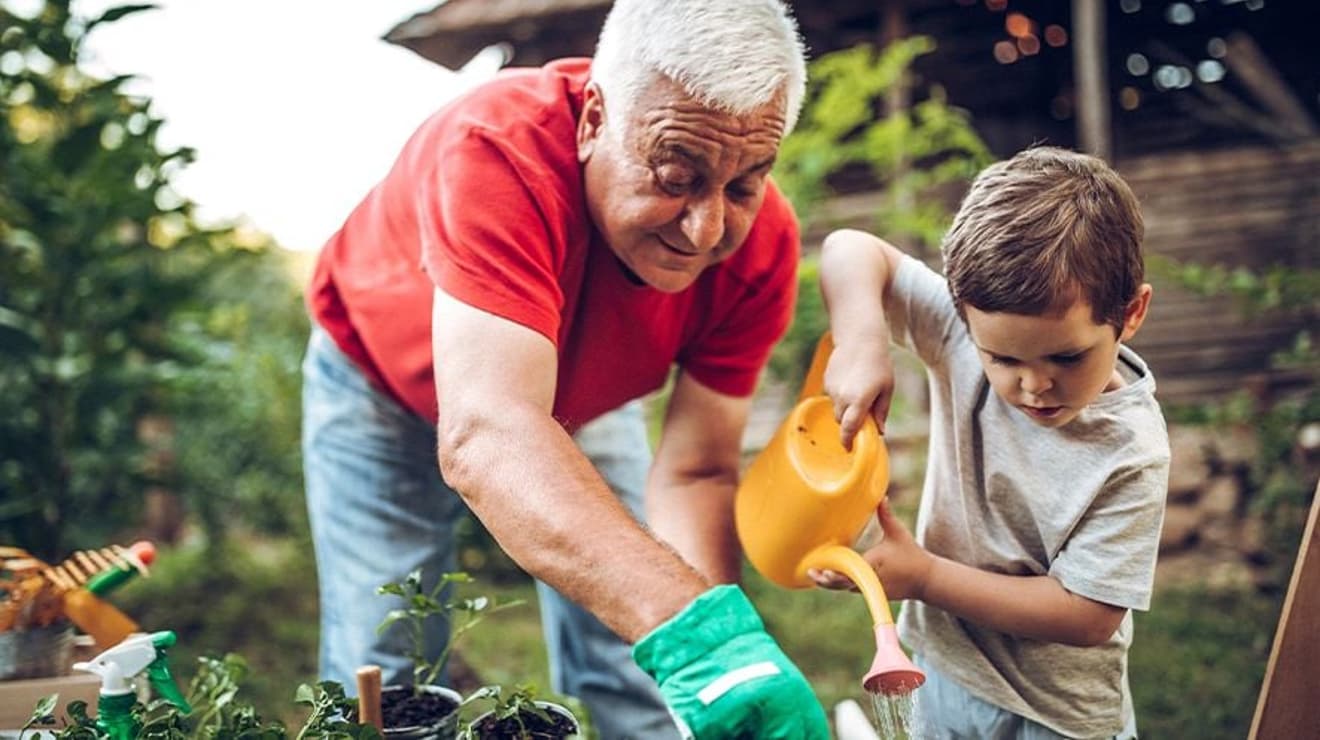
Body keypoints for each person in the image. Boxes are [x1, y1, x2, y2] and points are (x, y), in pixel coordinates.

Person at [301, 0, 829, 737]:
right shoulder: (498, 150)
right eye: (676, 175)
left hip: (579, 400)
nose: (707, 228)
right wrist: (690, 630)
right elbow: (490, 434)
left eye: (744, 185)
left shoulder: (761, 249)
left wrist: (730, 656)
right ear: (592, 121)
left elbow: (696, 473)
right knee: (389, 667)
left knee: (640, 662)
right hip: (378, 384)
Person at [812, 146, 1171, 738]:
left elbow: (1087, 616)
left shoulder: (1131, 450)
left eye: (1067, 356)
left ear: (1130, 313)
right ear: (963, 315)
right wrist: (860, 339)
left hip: (1056, 714)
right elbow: (849, 248)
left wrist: (924, 578)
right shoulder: (958, 332)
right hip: (942, 671)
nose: (1033, 384)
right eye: (1003, 358)